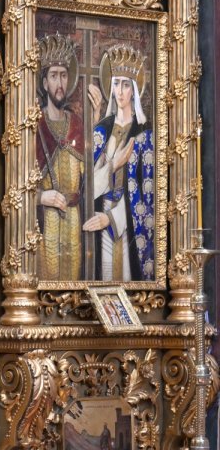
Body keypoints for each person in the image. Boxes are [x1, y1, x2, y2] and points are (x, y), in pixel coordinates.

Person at [85, 45, 154, 281]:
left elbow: (145, 196)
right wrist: (113, 164)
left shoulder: (144, 134)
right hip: (100, 217)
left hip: (127, 223)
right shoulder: (103, 130)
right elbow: (89, 186)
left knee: (126, 278)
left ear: (134, 90)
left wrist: (112, 218)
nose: (120, 91)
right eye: (116, 84)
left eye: (126, 85)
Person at [36, 34, 88, 280]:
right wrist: (40, 197)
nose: (60, 83)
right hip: (46, 220)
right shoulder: (35, 125)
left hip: (73, 219)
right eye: (54, 76)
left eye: (64, 75)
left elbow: (89, 178)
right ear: (45, 82)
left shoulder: (76, 124)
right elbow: (16, 184)